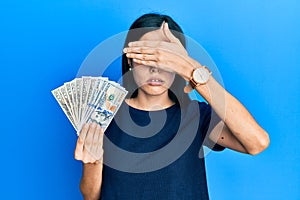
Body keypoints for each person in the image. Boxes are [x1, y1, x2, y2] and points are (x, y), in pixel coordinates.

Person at [74, 13, 270, 200]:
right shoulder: (104, 114)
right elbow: (91, 196)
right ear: (130, 59)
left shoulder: (196, 116)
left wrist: (190, 69)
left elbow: (257, 142)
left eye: (165, 57)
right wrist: (93, 161)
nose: (156, 67)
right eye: (147, 56)